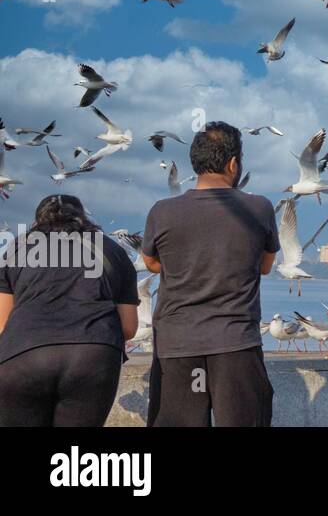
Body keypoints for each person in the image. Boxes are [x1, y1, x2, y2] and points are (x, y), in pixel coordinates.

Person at [141, 121, 279, 427]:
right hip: (236, 344)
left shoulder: (162, 211)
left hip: (176, 346)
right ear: (233, 164)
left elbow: (150, 263)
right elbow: (265, 266)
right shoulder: (259, 208)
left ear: (196, 162)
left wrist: (186, 263)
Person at [0, 195, 139, 426]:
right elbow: (128, 327)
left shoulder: (17, 249)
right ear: (83, 218)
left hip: (23, 354)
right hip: (92, 355)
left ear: (38, 222)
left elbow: (3, 324)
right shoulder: (111, 249)